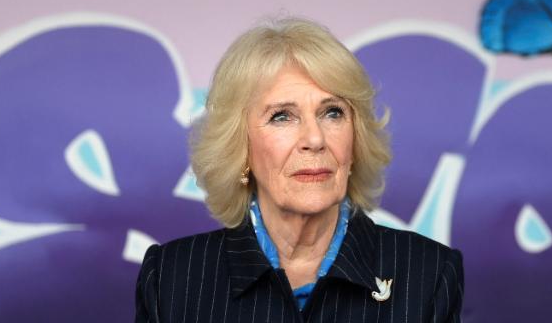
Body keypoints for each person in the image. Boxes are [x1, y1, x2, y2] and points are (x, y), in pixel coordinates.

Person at [135, 17, 464, 322]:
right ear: (241, 149)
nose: (315, 138)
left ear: (355, 140)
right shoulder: (170, 278)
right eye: (282, 116)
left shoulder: (428, 273)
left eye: (332, 112)